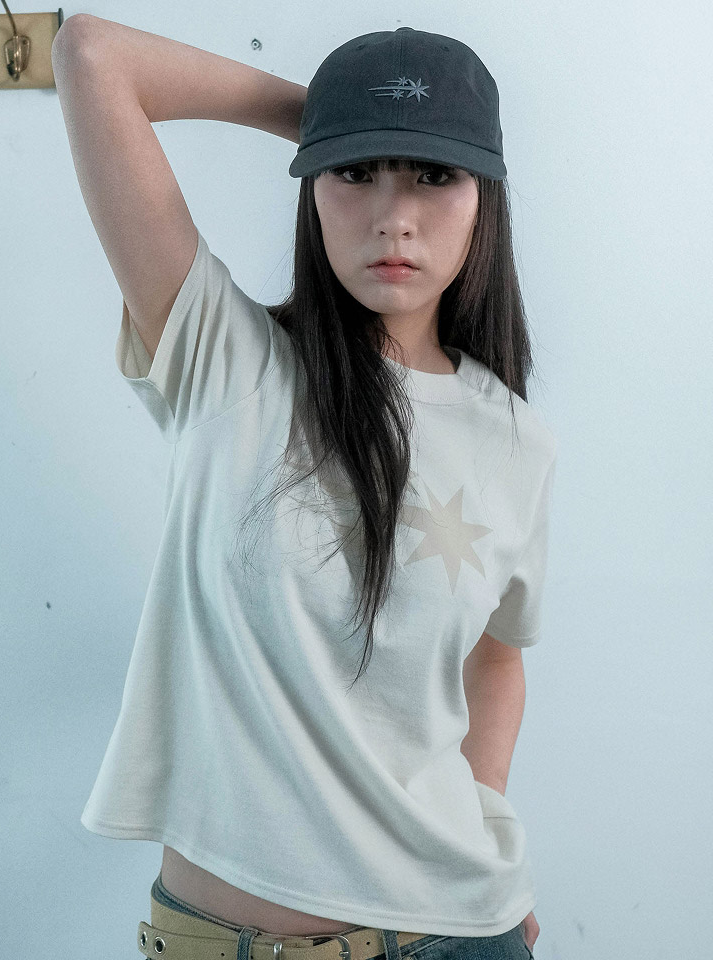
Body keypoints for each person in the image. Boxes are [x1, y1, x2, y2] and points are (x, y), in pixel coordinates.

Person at [53, 16, 555, 960]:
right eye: (355, 173)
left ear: (484, 194)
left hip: (455, 931)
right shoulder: (222, 355)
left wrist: (485, 823)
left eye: (434, 173)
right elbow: (90, 56)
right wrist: (326, 118)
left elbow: (498, 657)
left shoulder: (516, 439)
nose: (394, 216)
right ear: (313, 184)